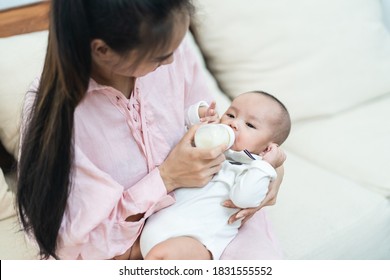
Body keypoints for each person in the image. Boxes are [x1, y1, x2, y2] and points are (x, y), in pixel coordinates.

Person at [16, 0, 285, 260]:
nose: (170, 62)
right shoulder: (59, 118)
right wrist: (166, 178)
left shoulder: (170, 47)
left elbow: (223, 132)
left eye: (176, 48)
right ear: (102, 50)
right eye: (159, 56)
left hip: (212, 215)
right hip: (125, 248)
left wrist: (267, 168)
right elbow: (72, 244)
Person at [140, 91, 291, 260]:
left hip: (196, 240)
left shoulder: (254, 171)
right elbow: (183, 126)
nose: (234, 124)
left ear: (267, 149)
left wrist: (265, 166)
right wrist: (202, 114)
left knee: (162, 256)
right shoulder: (211, 147)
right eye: (231, 114)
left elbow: (244, 199)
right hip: (154, 226)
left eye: (250, 125)